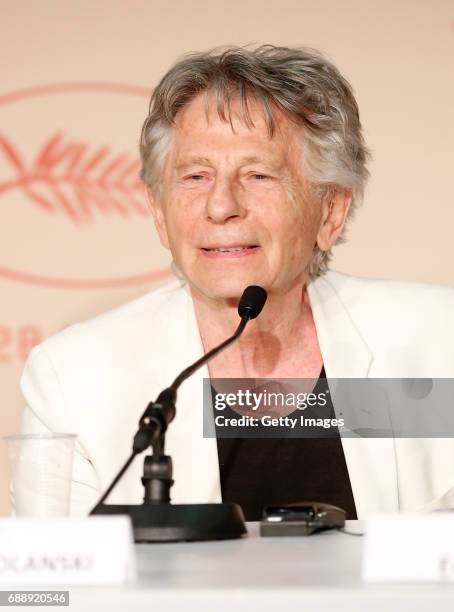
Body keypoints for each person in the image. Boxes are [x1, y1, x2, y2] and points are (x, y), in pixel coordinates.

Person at [20, 45, 454, 519]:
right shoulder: (75, 378)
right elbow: (54, 588)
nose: (221, 205)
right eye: (195, 176)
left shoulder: (438, 342)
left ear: (330, 212)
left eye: (258, 174)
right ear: (160, 214)